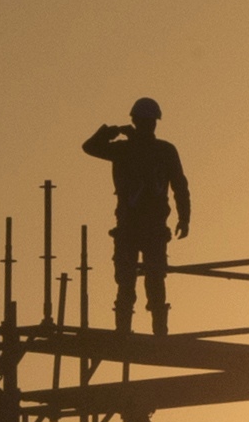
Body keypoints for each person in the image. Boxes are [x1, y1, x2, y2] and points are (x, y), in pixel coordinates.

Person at [82, 97, 191, 336]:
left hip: (139, 228)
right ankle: (150, 331)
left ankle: (135, 331)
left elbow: (179, 185)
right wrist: (184, 217)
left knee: (140, 279)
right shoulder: (148, 150)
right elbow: (179, 186)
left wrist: (110, 133)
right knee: (138, 279)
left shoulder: (130, 150)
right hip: (137, 228)